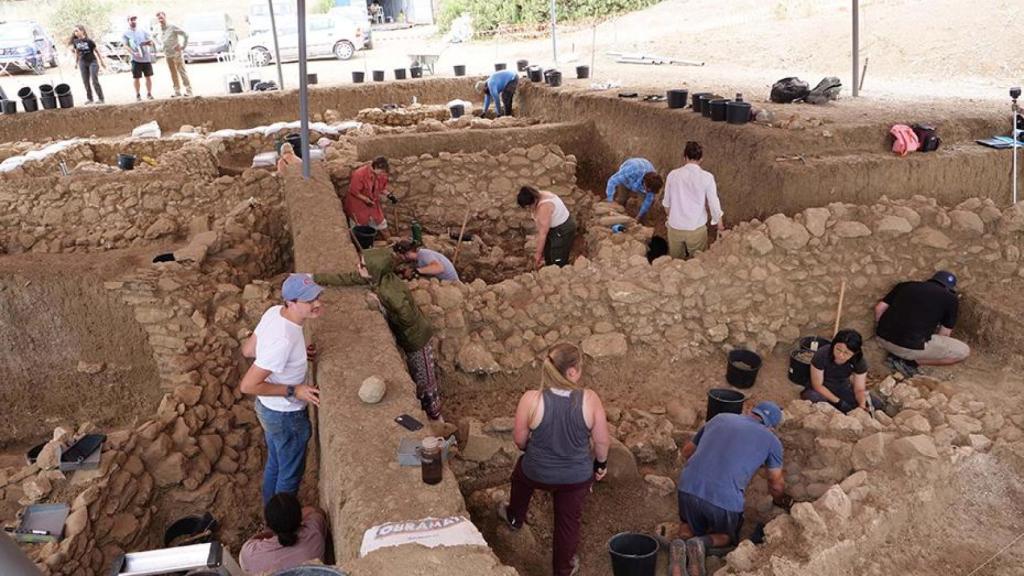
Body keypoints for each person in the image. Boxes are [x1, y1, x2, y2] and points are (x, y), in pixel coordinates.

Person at [496, 343, 610, 576]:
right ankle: (563, 569)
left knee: (520, 477)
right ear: (572, 372)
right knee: (568, 523)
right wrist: (600, 465)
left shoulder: (531, 399)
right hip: (575, 478)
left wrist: (534, 450)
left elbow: (519, 440)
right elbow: (601, 442)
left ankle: (515, 517)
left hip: (536, 471)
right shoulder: (590, 399)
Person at [315, 249, 448, 428]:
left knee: (424, 376)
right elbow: (349, 278)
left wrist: (381, 307)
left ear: (374, 268)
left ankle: (435, 416)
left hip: (417, 338)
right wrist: (314, 277)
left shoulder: (390, 291)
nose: (358, 267)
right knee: (418, 373)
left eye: (362, 265)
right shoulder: (378, 277)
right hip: (408, 336)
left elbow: (407, 318)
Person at [674, 402, 786, 576]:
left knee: (689, 522)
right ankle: (700, 543)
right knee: (726, 536)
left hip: (687, 488)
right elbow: (776, 483)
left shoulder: (719, 418)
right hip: (723, 502)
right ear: (771, 427)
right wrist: (781, 501)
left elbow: (687, 451)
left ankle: (683, 539)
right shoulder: (772, 440)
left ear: (750, 411)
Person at [240, 274, 324, 505]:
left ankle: (271, 515)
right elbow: (248, 385)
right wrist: (294, 390)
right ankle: (281, 529)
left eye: (317, 296)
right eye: (309, 300)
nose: (317, 303)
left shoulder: (274, 312)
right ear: (291, 302)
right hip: (285, 415)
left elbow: (249, 350)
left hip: (267, 410)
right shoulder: (284, 341)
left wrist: (294, 357)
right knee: (289, 475)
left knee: (276, 462)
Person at [874, 270, 969, 376]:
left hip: (881, 338)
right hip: (909, 348)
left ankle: (897, 354)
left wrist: (881, 327)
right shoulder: (951, 299)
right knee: (964, 351)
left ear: (932, 280)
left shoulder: (905, 285)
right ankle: (908, 363)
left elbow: (879, 308)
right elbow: (945, 334)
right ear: (949, 289)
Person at [662, 141, 724, 260]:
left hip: (675, 228)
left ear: (684, 157)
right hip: (696, 228)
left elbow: (666, 204)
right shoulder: (707, 177)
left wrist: (671, 218)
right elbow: (713, 203)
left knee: (675, 262)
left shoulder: (672, 175)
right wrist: (720, 225)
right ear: (701, 159)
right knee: (698, 262)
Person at [240, 493, 327, 574]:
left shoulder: (250, 553)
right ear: (300, 518)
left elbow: (252, 543)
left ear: (268, 525)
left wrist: (267, 533)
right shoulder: (315, 532)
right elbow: (318, 511)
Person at [800, 329, 882, 414]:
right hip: (821, 388)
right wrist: (839, 403)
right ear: (833, 345)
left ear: (855, 353)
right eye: (838, 349)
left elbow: (859, 389)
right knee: (815, 398)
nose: (841, 355)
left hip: (842, 388)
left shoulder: (858, 361)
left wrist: (862, 404)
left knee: (876, 404)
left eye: (847, 353)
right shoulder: (822, 354)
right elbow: (817, 385)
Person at [517, 186, 575, 269]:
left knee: (557, 256)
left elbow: (543, 233)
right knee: (548, 251)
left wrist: (538, 254)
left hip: (563, 229)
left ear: (534, 200)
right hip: (553, 228)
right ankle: (549, 267)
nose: (528, 209)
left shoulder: (544, 206)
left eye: (528, 206)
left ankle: (559, 273)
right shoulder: (537, 195)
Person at [344, 156, 392, 238]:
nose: (382, 174)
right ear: (376, 167)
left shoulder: (380, 175)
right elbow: (354, 191)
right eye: (382, 171)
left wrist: (389, 195)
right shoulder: (360, 174)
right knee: (359, 230)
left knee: (382, 224)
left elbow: (381, 188)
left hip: (372, 205)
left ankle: (391, 245)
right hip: (358, 205)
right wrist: (366, 199)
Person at [605, 158, 664, 223]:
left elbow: (647, 203)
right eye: (647, 190)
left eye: (649, 191)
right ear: (645, 182)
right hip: (628, 179)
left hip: (641, 180)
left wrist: (638, 217)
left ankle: (642, 222)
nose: (647, 192)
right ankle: (616, 216)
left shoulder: (653, 185)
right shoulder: (631, 171)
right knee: (621, 199)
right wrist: (609, 200)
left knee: (641, 205)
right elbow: (611, 182)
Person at [156, 11, 192, 98]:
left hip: (176, 54)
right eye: (158, 18)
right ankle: (177, 91)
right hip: (167, 54)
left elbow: (185, 34)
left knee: (182, 71)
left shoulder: (172, 26)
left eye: (161, 17)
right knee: (173, 73)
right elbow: (153, 36)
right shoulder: (159, 28)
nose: (160, 19)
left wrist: (183, 46)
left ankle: (189, 91)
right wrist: (159, 45)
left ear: (165, 16)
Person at [69, 25, 105, 105]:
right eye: (75, 31)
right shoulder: (76, 42)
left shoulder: (89, 41)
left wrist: (102, 62)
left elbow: (97, 51)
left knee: (94, 79)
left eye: (77, 30)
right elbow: (77, 52)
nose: (76, 33)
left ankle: (101, 98)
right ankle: (90, 98)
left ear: (82, 31)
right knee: (85, 81)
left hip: (92, 61)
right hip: (82, 62)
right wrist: (76, 62)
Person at [393, 239, 460, 282]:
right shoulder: (417, 258)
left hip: (451, 282)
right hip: (442, 279)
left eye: (401, 256)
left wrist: (417, 271)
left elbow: (439, 268)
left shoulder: (424, 254)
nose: (402, 259)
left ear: (407, 254)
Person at [122, 15, 156, 101]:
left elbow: (151, 41)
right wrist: (133, 52)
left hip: (146, 58)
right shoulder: (126, 33)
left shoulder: (143, 30)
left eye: (135, 20)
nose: (134, 21)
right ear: (128, 21)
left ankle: (149, 93)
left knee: (148, 76)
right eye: (131, 20)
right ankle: (138, 95)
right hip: (135, 59)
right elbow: (125, 45)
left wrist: (148, 43)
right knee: (136, 77)